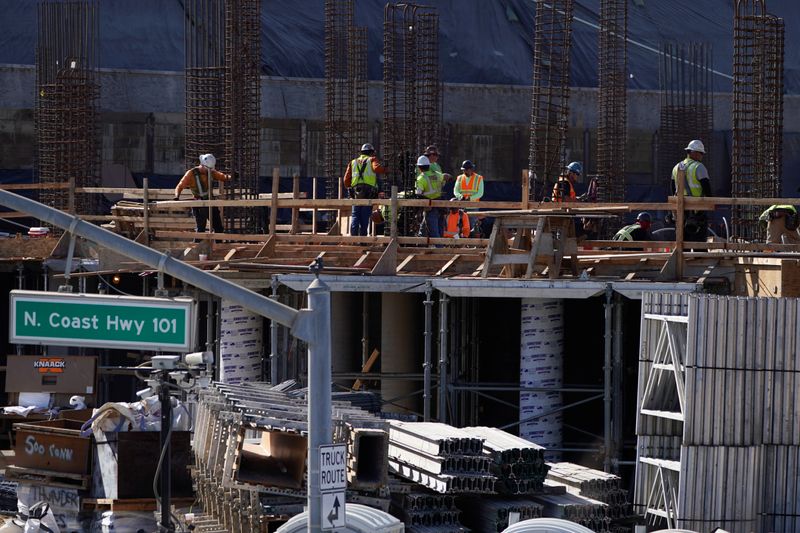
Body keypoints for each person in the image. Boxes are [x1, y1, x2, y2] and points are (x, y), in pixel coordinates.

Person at [174, 153, 232, 234]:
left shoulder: (211, 172)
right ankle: (198, 245)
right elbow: (180, 186)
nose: (210, 170)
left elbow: (222, 177)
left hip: (210, 203)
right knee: (201, 229)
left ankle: (218, 245)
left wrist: (231, 177)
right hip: (199, 205)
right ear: (202, 165)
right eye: (208, 169)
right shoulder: (191, 174)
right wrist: (177, 196)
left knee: (218, 228)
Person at [671, 139, 712, 242]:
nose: (701, 156)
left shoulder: (677, 167)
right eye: (700, 153)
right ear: (694, 152)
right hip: (697, 211)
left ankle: (683, 258)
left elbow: (672, 188)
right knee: (699, 245)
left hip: (681, 211)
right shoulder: (699, 167)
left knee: (682, 243)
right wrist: (710, 203)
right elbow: (707, 188)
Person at [343, 143, 388, 236]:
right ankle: (363, 240)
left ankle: (354, 239)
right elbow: (377, 168)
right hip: (368, 193)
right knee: (364, 217)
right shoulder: (372, 159)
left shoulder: (353, 162)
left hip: (356, 193)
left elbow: (346, 180)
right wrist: (386, 170)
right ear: (371, 153)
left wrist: (350, 188)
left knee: (355, 216)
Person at [414, 154, 445, 238]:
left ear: (419, 168)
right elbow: (446, 178)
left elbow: (418, 194)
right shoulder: (437, 174)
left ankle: (439, 249)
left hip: (430, 207)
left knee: (434, 232)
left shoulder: (421, 178)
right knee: (440, 229)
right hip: (440, 206)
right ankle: (441, 247)